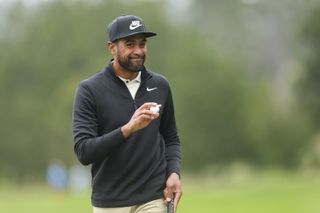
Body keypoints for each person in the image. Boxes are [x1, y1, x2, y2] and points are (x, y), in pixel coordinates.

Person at [72, 15, 182, 213]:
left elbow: (171, 137)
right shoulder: (89, 90)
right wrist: (127, 129)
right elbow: (84, 151)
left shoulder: (160, 85)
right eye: (130, 44)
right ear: (112, 47)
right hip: (111, 202)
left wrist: (174, 172)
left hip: (153, 197)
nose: (138, 51)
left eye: (142, 44)